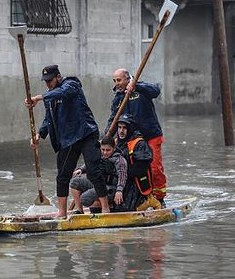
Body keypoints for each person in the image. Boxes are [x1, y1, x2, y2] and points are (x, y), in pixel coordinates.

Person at [25, 64, 110, 218]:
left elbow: (63, 93)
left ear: (58, 77)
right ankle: (62, 212)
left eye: (50, 81)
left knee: (93, 171)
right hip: (68, 139)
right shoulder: (50, 97)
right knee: (62, 176)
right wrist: (39, 135)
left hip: (86, 133)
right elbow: (48, 120)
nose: (48, 84)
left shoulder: (71, 84)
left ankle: (105, 208)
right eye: (45, 81)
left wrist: (39, 97)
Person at [106, 68, 167, 206]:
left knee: (154, 168)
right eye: (114, 81)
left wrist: (136, 85)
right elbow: (113, 119)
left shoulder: (141, 88)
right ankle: (138, 197)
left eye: (119, 80)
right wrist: (107, 137)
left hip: (150, 135)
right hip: (131, 140)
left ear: (127, 79)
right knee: (128, 167)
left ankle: (159, 198)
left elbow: (155, 91)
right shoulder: (118, 98)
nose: (117, 84)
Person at [69, 135, 128, 214]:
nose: (105, 152)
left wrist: (119, 190)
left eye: (108, 150)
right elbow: (91, 163)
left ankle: (107, 207)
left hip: (111, 189)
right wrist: (81, 169)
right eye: (103, 149)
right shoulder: (100, 155)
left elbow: (122, 176)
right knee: (75, 182)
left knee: (84, 199)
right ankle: (79, 211)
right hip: (99, 184)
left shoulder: (120, 160)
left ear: (114, 149)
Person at [115, 113, 161, 211]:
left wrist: (121, 173)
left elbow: (141, 169)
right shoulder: (115, 143)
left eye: (124, 128)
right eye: (119, 127)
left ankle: (147, 201)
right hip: (118, 181)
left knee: (123, 209)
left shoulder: (139, 144)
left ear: (130, 128)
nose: (121, 131)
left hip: (134, 185)